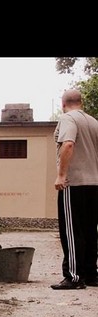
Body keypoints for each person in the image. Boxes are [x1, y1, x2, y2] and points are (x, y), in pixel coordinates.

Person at [50, 89, 98, 290]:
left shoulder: (68, 119)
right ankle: (90, 274)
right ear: (82, 102)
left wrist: (61, 175)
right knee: (89, 230)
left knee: (71, 230)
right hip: (94, 184)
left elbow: (68, 144)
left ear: (63, 104)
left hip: (74, 184)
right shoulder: (94, 122)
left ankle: (74, 276)